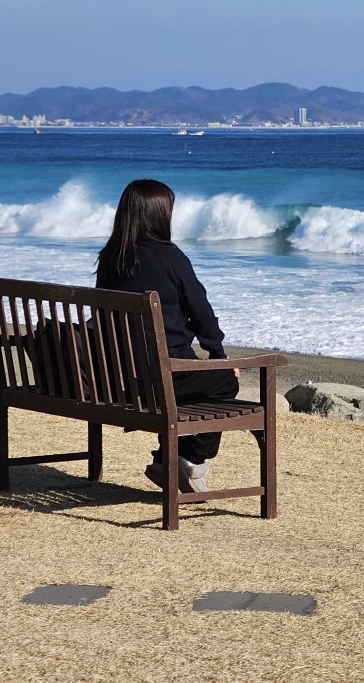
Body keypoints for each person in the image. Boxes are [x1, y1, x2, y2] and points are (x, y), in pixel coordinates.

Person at [95, 177, 239, 493]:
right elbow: (201, 311)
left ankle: (167, 459)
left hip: (121, 381)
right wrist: (218, 355)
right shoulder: (169, 257)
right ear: (160, 215)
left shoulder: (110, 258)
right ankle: (190, 457)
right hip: (161, 379)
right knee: (225, 380)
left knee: (196, 378)